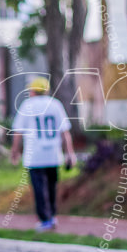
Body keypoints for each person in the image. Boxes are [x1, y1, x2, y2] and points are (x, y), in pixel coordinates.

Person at [9, 77, 76, 232]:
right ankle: (52, 216)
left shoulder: (27, 106)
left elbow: (18, 132)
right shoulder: (56, 105)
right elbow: (65, 132)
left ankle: (45, 220)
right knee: (52, 187)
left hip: (35, 155)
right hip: (53, 154)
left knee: (40, 189)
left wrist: (14, 151)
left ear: (32, 91)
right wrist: (70, 153)